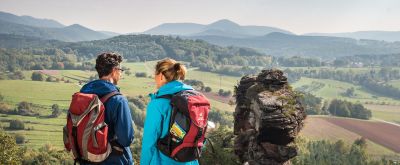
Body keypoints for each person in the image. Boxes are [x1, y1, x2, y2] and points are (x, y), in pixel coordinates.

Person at [140, 58, 198, 165]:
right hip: (190, 161)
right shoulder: (193, 98)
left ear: (161, 76)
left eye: (155, 75)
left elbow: (149, 142)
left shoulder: (158, 104)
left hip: (163, 161)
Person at [80, 52, 134, 164]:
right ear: (114, 71)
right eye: (120, 70)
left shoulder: (83, 94)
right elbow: (126, 139)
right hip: (112, 160)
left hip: (86, 158)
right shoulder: (118, 100)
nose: (121, 74)